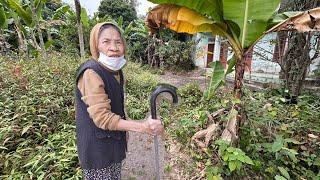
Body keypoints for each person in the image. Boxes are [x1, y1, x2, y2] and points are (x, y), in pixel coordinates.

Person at [75, 22, 164, 180]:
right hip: (97, 151)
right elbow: (102, 117)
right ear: (96, 46)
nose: (114, 47)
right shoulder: (91, 73)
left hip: (112, 144)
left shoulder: (116, 72)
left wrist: (128, 128)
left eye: (118, 42)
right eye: (106, 42)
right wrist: (142, 127)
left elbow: (117, 106)